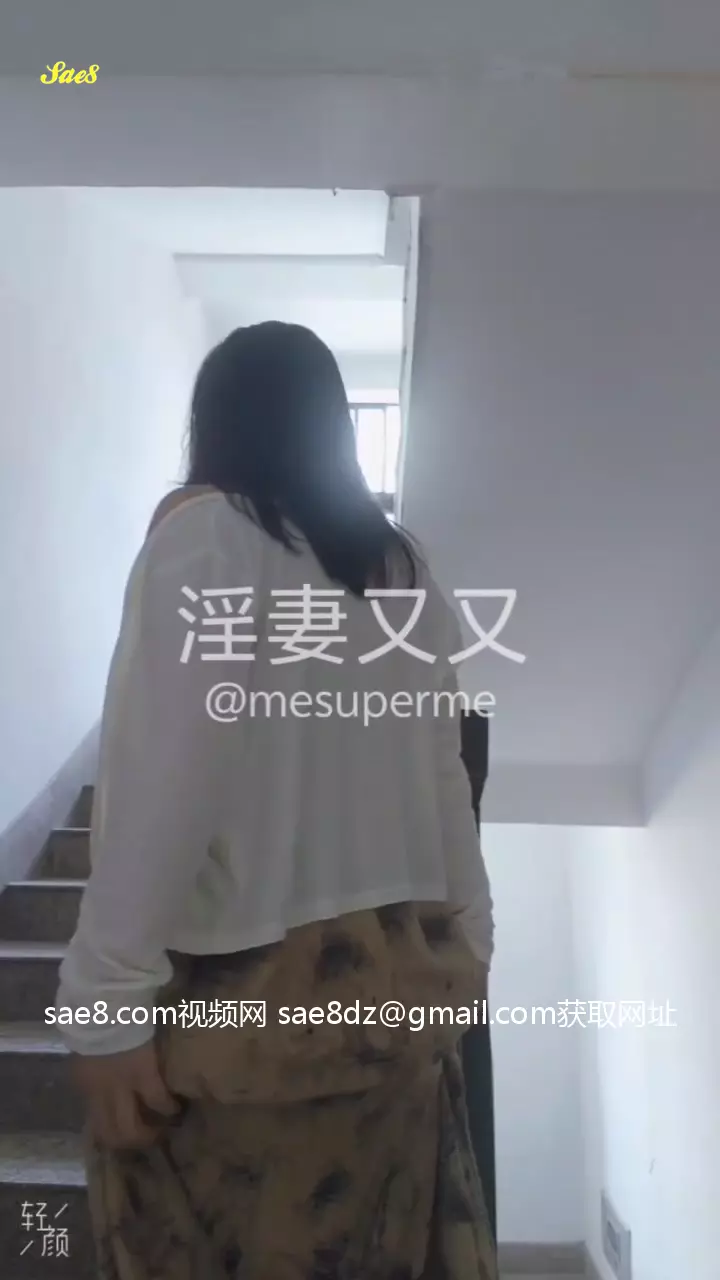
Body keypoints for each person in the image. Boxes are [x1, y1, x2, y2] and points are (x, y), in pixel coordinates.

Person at [55, 322, 497, 1280]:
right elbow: (446, 778)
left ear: (214, 423)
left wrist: (102, 1000)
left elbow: (166, 777)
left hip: (244, 1018)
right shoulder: (403, 573)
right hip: (394, 998)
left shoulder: (208, 538)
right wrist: (472, 941)